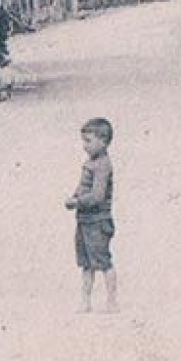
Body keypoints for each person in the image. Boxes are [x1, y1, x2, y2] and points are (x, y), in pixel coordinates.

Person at [65, 117, 117, 313]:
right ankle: (85, 301)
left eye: (88, 141)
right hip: (84, 220)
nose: (84, 146)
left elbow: (97, 195)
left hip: (98, 221)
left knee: (103, 262)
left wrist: (78, 202)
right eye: (83, 141)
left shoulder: (103, 165)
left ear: (103, 141)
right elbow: (82, 186)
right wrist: (74, 196)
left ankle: (112, 301)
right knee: (86, 264)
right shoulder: (90, 163)